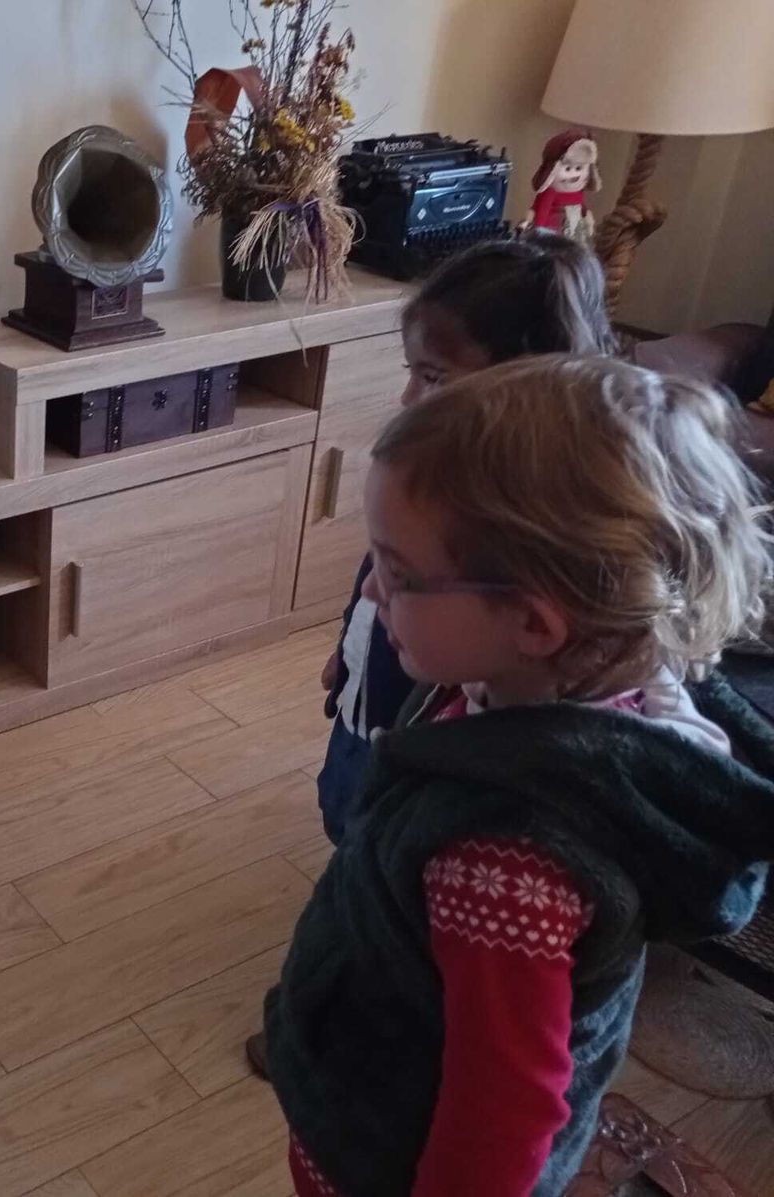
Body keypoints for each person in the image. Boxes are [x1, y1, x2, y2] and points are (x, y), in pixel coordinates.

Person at [268, 356, 774, 1197]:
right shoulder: (570, 685)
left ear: (535, 622)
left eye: (397, 571)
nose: (371, 589)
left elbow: (499, 1116)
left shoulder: (509, 864)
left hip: (376, 1153)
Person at [317, 233, 615, 845]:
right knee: (347, 813)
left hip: (414, 740)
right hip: (370, 697)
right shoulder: (428, 486)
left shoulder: (523, 534)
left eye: (433, 376)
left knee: (376, 831)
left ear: (522, 382)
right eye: (412, 372)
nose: (407, 400)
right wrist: (349, 650)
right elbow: (379, 578)